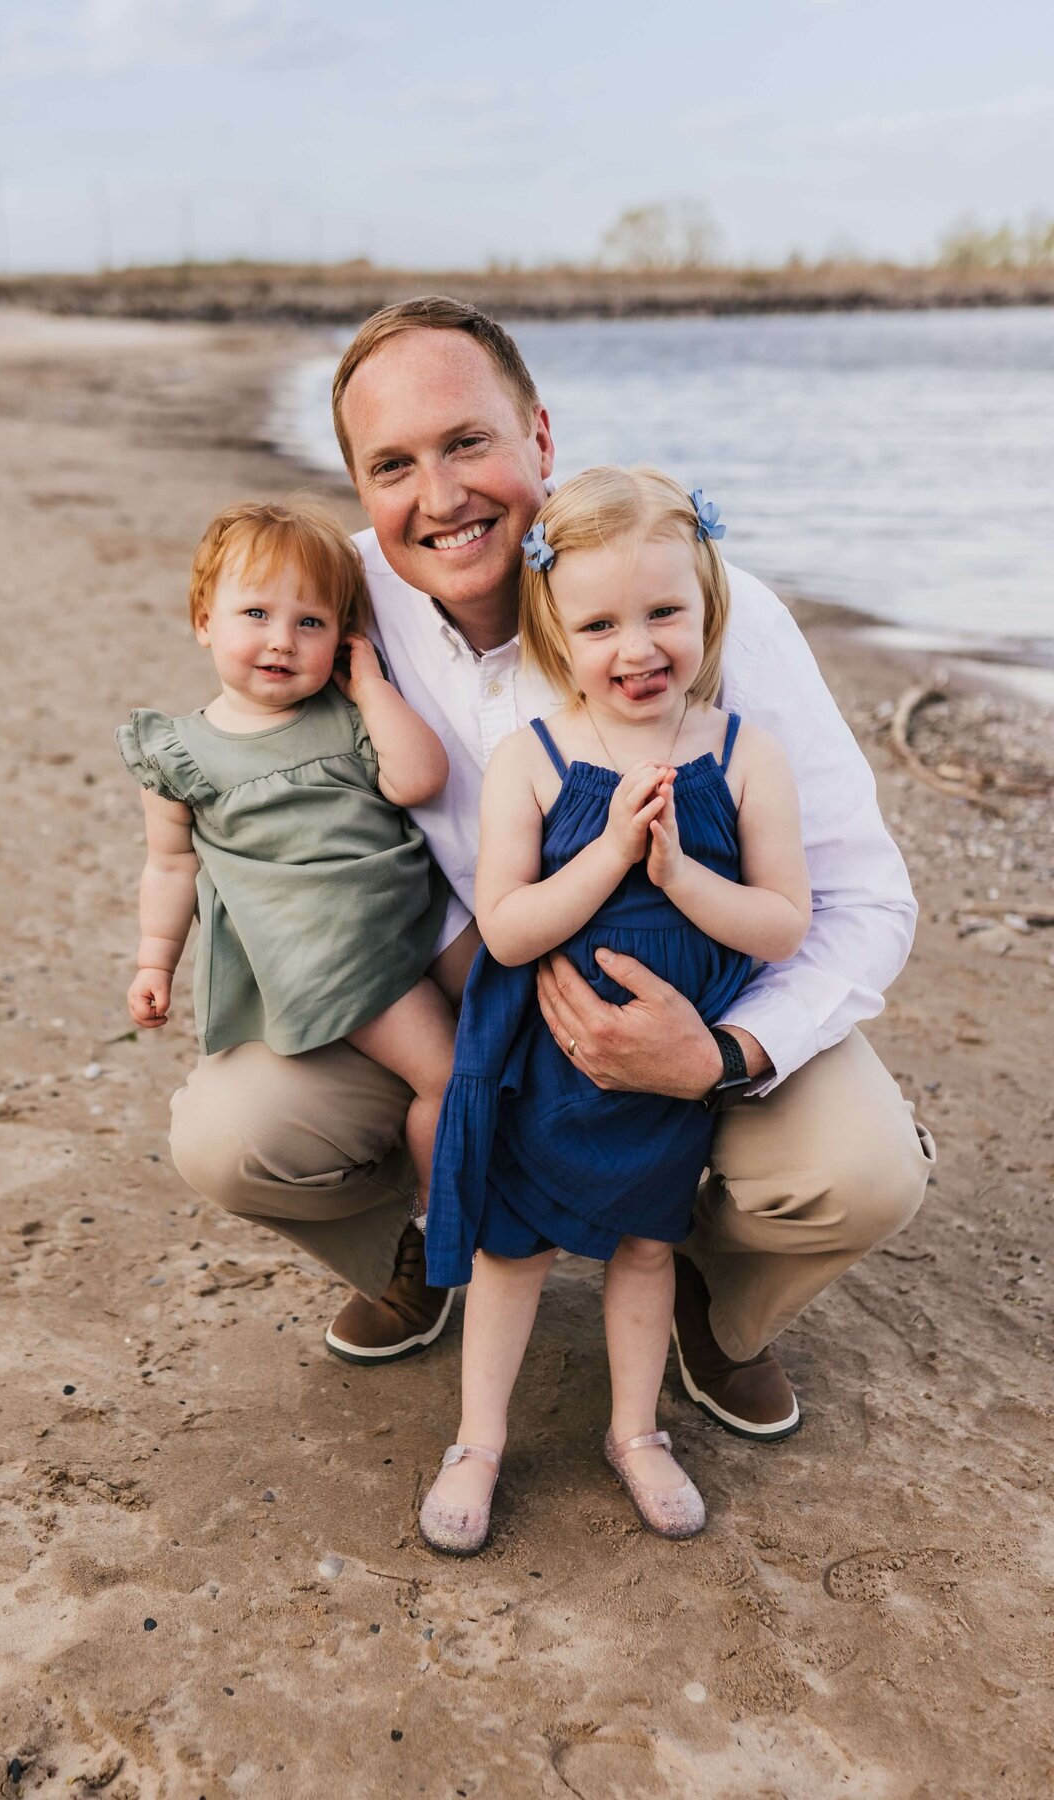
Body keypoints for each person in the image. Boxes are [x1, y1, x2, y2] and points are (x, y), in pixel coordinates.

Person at [168, 297, 934, 1434]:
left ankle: (710, 1298)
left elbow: (867, 900)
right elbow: (252, 790)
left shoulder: (696, 617)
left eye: (467, 442)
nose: (439, 497)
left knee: (863, 1170)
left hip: (688, 985)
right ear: (361, 489)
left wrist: (721, 1051)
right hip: (441, 1003)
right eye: (394, 464)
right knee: (230, 1136)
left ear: (538, 436)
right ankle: (427, 1244)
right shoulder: (336, 614)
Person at [417, 466, 812, 1551]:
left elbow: (783, 922)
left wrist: (683, 879)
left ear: (708, 608)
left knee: (645, 1244)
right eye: (600, 624)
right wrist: (610, 853)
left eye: (663, 613)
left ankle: (635, 1432)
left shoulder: (741, 756)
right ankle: (479, 1439)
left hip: (671, 1062)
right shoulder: (533, 760)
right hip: (544, 1057)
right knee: (515, 1248)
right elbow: (506, 928)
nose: (636, 649)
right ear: (555, 631)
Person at [117, 497, 463, 1237]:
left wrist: (369, 686)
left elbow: (419, 779)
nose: (281, 641)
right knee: (450, 1074)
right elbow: (169, 867)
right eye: (255, 615)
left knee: (532, 997)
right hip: (351, 963)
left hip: (427, 919)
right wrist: (155, 962)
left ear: (342, 638)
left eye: (310, 622)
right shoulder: (179, 753)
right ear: (204, 620)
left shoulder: (348, 713)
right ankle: (441, 1218)